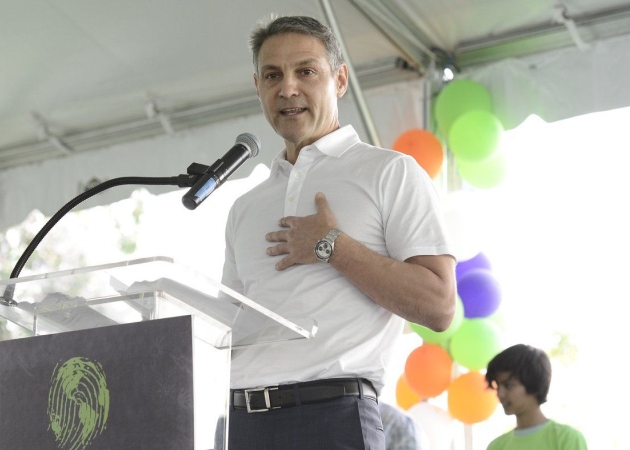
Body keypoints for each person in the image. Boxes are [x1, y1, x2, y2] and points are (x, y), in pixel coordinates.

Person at [222, 15, 457, 450]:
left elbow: (440, 305)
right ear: (258, 88)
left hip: (334, 418)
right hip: (241, 425)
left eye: (306, 71)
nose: (287, 88)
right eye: (272, 75)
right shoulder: (245, 207)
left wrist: (332, 246)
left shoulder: (391, 172)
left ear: (341, 79)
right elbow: (227, 329)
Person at [485, 344, 588, 450]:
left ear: (533, 384)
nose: (500, 393)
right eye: (498, 386)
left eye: (508, 385)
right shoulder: (496, 446)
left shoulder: (567, 438)